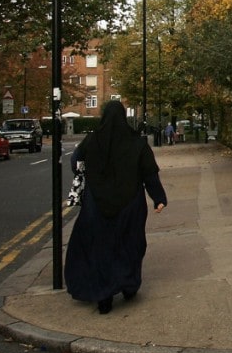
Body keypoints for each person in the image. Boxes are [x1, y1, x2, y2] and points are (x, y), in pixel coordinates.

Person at [64, 101, 167, 314]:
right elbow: (149, 174)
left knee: (99, 248)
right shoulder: (137, 143)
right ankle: (128, 284)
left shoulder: (92, 140)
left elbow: (76, 162)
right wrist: (159, 198)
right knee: (129, 245)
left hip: (97, 205)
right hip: (130, 205)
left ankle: (104, 296)